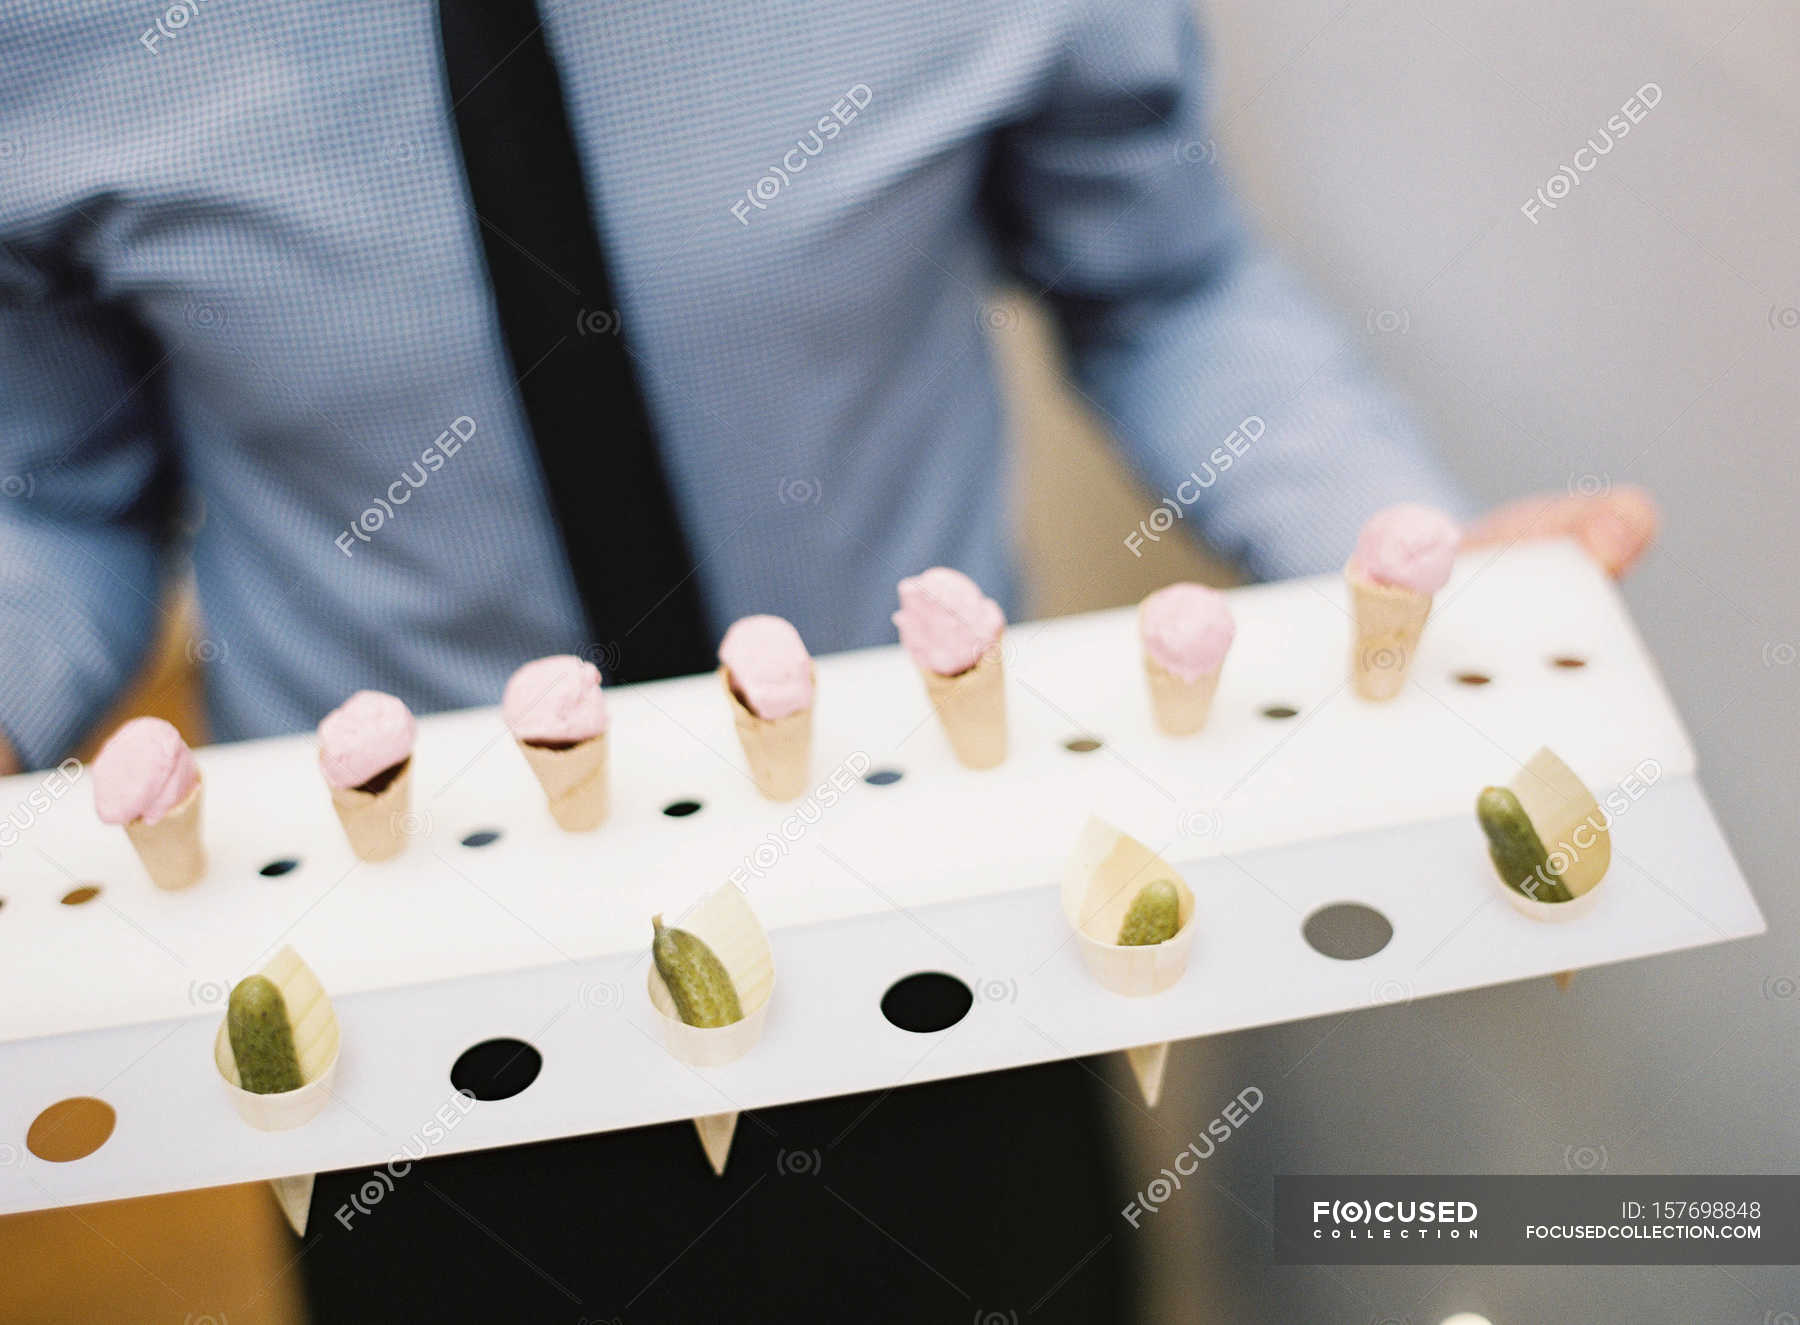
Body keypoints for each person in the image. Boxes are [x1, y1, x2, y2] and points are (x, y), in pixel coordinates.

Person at [0, 1, 1656, 1320]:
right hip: (389, 1042)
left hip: (964, 950)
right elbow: (54, 480)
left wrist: (1396, 548)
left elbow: (1166, 277)